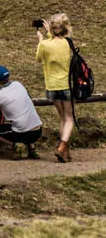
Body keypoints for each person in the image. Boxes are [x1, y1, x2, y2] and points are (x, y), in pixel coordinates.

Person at [0, 65, 43, 159]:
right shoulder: (18, 84)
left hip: (22, 133)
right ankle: (32, 149)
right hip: (38, 131)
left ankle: (16, 145)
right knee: (24, 123)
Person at [36, 13, 76, 162]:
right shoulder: (68, 42)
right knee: (69, 118)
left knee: (62, 118)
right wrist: (49, 35)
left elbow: (39, 58)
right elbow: (59, 44)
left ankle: (65, 152)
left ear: (52, 28)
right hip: (66, 84)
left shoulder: (45, 44)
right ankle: (61, 147)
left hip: (51, 86)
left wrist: (42, 39)